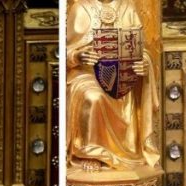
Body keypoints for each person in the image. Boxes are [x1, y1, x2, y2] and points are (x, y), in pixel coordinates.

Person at [65, 0, 158, 170]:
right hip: (86, 75)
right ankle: (91, 152)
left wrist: (143, 63)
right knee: (94, 97)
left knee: (122, 94)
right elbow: (65, 51)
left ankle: (127, 152)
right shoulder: (81, 8)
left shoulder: (128, 7)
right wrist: (77, 56)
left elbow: (140, 48)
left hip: (122, 77)